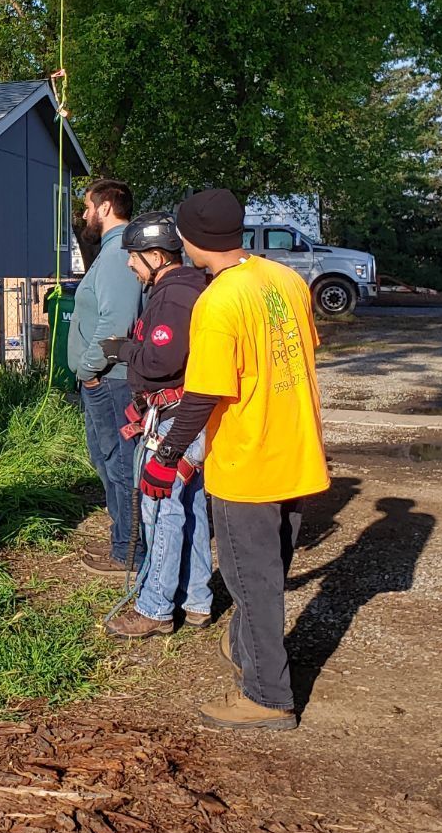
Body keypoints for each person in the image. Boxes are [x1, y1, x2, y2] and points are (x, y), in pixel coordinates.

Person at [141, 187, 330, 731]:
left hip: (248, 463)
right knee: (268, 573)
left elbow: (204, 394)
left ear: (189, 239)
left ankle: (268, 697)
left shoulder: (218, 302)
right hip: (297, 453)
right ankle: (247, 647)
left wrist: (166, 457)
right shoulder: (285, 279)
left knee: (254, 584)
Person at [104, 211, 213, 640]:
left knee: (160, 509)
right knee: (190, 506)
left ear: (155, 256)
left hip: (175, 419)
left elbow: (160, 359)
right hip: (187, 416)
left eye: (134, 256)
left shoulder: (173, 296)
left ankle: (155, 608)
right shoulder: (189, 287)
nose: (130, 264)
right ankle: (197, 599)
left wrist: (125, 350)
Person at [66, 178, 142, 573]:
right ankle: (122, 541)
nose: (84, 215)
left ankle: (129, 550)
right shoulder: (112, 251)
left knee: (119, 462)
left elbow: (117, 323)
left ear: (106, 206)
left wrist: (88, 370)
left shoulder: (117, 255)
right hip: (105, 379)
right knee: (107, 460)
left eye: (87, 207)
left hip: (112, 380)